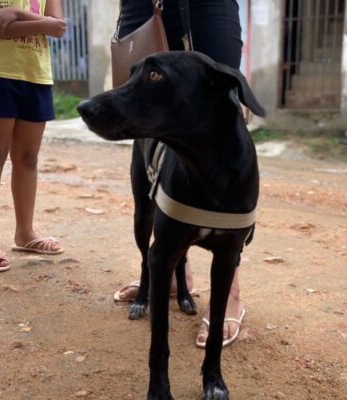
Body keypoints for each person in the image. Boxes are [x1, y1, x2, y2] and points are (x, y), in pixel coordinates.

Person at [112, 0, 246, 348]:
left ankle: (229, 289)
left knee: (220, 118)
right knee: (150, 126)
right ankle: (171, 267)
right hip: (143, 5)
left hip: (205, 6)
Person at [0, 0, 67, 273]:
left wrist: (14, 13)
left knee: (27, 157)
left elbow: (59, 27)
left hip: (35, 73)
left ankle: (25, 233)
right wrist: (42, 24)